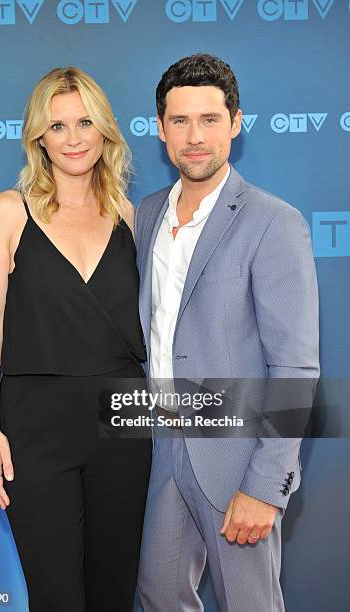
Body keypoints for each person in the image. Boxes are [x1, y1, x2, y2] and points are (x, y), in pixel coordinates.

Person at [136, 54, 319, 611]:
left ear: (235, 123)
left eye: (210, 119)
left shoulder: (273, 220)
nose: (195, 137)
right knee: (158, 593)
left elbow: (295, 367)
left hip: (238, 455)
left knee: (250, 604)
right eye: (181, 121)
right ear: (161, 128)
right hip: (157, 445)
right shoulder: (143, 216)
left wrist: (267, 484)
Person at [0, 66, 152, 612]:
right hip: (35, 426)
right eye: (57, 126)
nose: (73, 138)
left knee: (114, 592)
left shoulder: (131, 216)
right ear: (38, 138)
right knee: (56, 596)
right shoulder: (8, 212)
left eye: (85, 123)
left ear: (105, 131)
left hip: (124, 420)